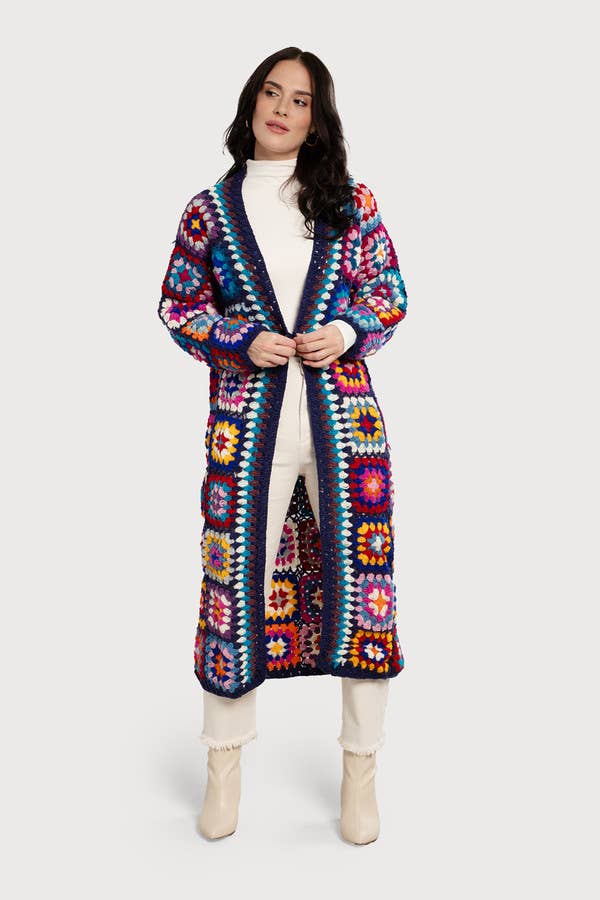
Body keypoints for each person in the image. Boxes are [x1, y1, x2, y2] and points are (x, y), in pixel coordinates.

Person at [157, 47, 408, 845]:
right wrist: (241, 338)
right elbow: (178, 306)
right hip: (247, 436)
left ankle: (360, 775)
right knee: (231, 588)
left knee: (364, 594)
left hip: (346, 432)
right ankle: (223, 768)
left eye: (301, 100)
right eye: (272, 92)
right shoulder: (210, 210)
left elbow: (390, 292)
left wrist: (346, 330)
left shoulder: (350, 203)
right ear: (251, 103)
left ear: (317, 120)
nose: (282, 109)